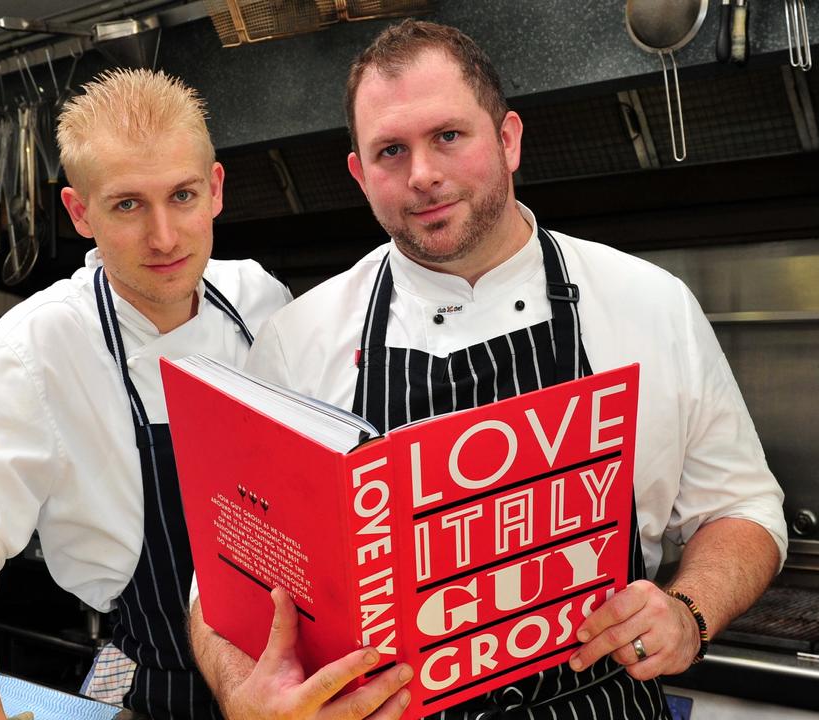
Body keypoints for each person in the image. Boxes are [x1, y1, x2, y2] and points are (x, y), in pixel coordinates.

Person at [189, 20, 788, 720]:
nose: (422, 175)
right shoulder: (301, 339)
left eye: (448, 136)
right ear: (359, 175)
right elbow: (222, 576)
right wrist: (243, 695)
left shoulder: (648, 304)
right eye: (390, 151)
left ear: (508, 139)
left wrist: (689, 612)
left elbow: (742, 508)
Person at [0, 69, 291, 720]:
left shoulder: (260, 301)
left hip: (284, 680)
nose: (164, 237)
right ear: (81, 212)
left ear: (215, 190)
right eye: (128, 205)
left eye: (182, 196)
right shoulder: (36, 348)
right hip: (151, 684)